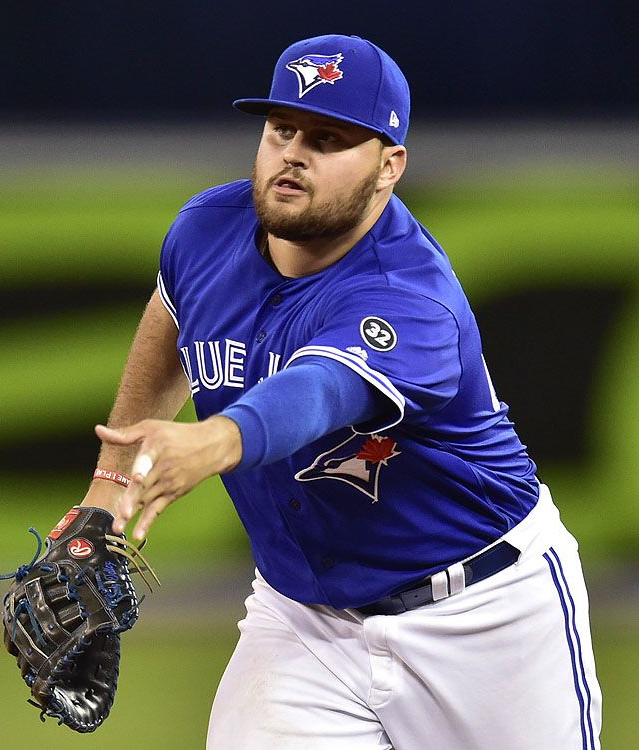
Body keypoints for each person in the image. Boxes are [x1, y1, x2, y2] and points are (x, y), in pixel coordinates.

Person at [78, 34, 602, 748]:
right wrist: (108, 491)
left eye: (328, 138)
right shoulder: (206, 230)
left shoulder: (411, 295)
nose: (293, 153)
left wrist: (216, 439)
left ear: (390, 166)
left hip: (483, 618)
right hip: (302, 620)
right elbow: (170, 317)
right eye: (281, 129)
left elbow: (320, 391)